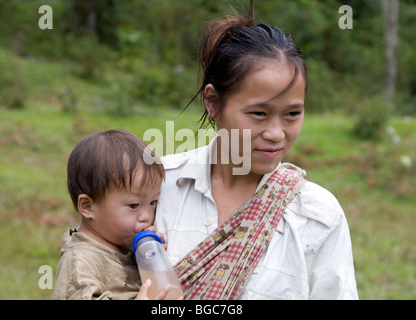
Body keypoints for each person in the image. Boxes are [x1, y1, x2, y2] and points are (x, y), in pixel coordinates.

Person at [155, 6, 358, 300]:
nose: (276, 133)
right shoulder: (154, 188)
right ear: (212, 102)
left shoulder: (318, 217)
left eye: (292, 114)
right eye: (259, 113)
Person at [52, 129, 174, 300]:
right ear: (88, 206)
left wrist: (149, 259)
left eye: (153, 203)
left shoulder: (122, 245)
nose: (146, 216)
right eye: (134, 205)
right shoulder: (80, 262)